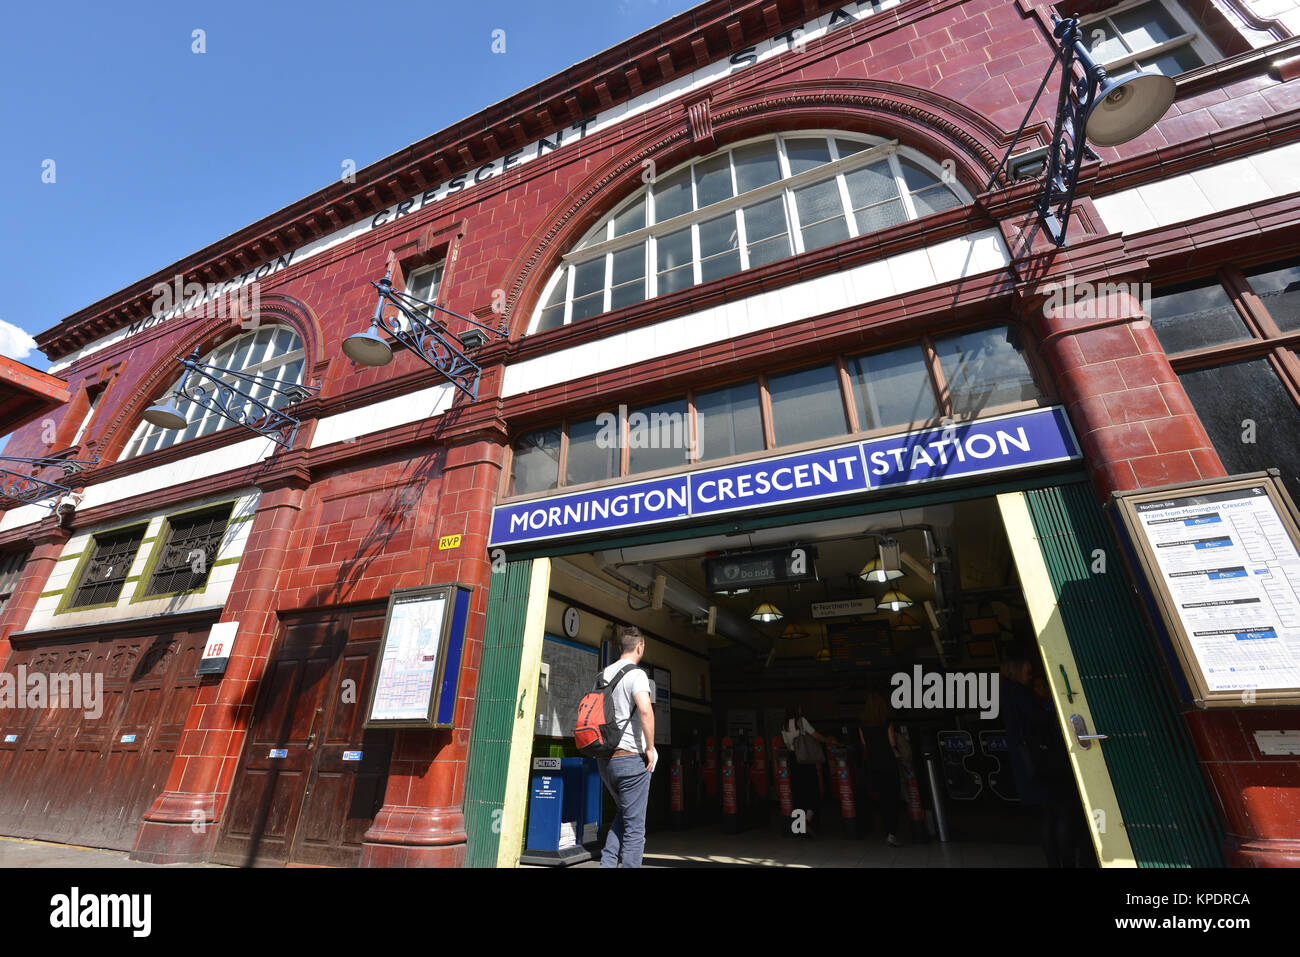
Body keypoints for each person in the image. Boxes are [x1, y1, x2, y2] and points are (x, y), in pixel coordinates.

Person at [999, 646, 1086, 867]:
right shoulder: (1019, 693)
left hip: (1028, 763)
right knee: (1063, 811)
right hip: (1042, 762)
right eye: (1028, 670)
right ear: (1018, 668)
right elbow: (1039, 720)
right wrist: (1051, 709)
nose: (1031, 673)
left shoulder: (1006, 692)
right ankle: (1066, 862)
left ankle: (1054, 863)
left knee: (1046, 815)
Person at [596, 625, 657, 868]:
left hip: (605, 760)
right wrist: (650, 747)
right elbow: (644, 708)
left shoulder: (603, 674)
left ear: (620, 647)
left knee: (624, 815)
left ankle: (607, 864)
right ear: (640, 647)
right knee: (635, 829)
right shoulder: (637, 674)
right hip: (631, 760)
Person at [858, 691, 903, 847]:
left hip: (872, 764)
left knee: (882, 800)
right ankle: (891, 833)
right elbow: (892, 743)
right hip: (888, 764)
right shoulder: (887, 723)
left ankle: (885, 829)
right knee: (892, 798)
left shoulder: (862, 726)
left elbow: (864, 745)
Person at [781, 704, 828, 835]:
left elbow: (787, 745)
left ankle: (799, 827)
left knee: (799, 793)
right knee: (813, 791)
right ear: (797, 710)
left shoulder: (784, 725)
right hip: (806, 761)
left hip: (794, 760)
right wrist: (827, 740)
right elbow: (815, 735)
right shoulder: (801, 721)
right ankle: (807, 822)